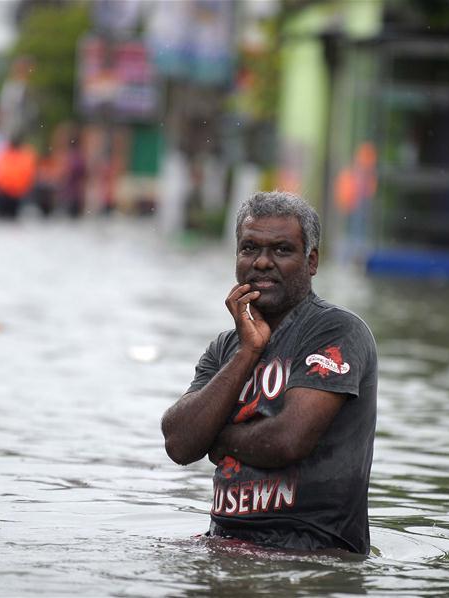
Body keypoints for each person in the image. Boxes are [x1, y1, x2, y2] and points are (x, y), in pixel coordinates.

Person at [161, 191, 378, 554]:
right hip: (223, 542)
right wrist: (249, 352)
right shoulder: (227, 348)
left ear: (311, 262)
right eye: (249, 249)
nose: (262, 262)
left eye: (281, 250)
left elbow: (288, 439)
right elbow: (179, 444)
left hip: (309, 551)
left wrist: (219, 438)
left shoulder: (337, 331)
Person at [0, 134, 37, 219]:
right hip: (2, 193)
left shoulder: (26, 155)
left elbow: (30, 175)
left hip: (19, 194)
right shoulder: (2, 153)